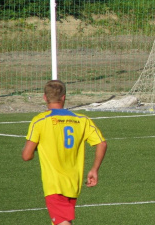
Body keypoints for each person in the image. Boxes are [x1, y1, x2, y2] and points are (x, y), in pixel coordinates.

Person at [22, 80, 107, 225]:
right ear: (64, 97)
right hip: (74, 183)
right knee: (62, 220)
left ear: (44, 97)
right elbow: (101, 143)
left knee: (62, 222)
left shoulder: (40, 121)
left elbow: (26, 156)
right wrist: (94, 169)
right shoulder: (82, 120)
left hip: (54, 184)